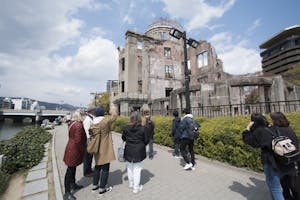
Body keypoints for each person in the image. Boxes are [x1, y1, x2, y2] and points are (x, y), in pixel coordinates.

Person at [242, 112, 299, 200]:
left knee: (275, 189)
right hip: (290, 162)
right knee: (290, 186)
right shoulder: (289, 130)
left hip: (273, 164)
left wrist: (247, 129)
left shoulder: (265, 131)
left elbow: (249, 140)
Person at [270, 112, 299, 200]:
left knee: (285, 185)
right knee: (294, 184)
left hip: (282, 160)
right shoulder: (289, 129)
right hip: (294, 159)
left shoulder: (274, 130)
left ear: (275, 120)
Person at [90, 106, 118, 195]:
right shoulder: (104, 121)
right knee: (105, 168)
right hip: (105, 147)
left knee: (97, 166)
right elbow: (114, 117)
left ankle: (95, 185)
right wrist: (113, 108)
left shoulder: (92, 123)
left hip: (96, 147)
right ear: (102, 113)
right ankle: (102, 188)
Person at [122, 111, 149, 193]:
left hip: (129, 149)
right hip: (139, 150)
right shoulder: (143, 128)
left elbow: (123, 138)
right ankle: (136, 188)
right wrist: (141, 144)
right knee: (137, 169)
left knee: (129, 167)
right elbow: (146, 140)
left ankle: (131, 183)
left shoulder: (126, 127)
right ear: (139, 118)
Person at [63, 110, 87, 200]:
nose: (84, 116)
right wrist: (83, 150)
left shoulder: (72, 123)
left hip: (70, 147)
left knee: (72, 168)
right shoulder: (78, 125)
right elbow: (78, 141)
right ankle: (67, 192)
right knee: (70, 170)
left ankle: (73, 184)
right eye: (83, 115)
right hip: (75, 150)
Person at [82, 108, 95, 177]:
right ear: (91, 111)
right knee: (87, 157)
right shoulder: (87, 120)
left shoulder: (90, 118)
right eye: (94, 111)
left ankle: (89, 170)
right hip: (89, 140)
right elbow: (87, 132)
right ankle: (86, 172)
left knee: (90, 157)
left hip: (90, 140)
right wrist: (89, 141)